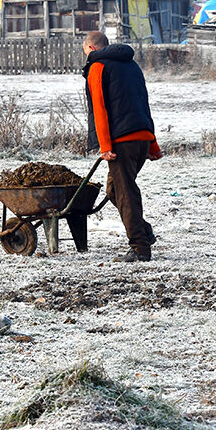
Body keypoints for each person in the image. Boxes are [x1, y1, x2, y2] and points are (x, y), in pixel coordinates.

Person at [82, 31, 162, 263]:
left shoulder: (97, 67)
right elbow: (142, 103)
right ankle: (144, 231)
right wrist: (152, 143)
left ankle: (140, 247)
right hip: (141, 137)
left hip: (121, 141)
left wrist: (104, 145)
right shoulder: (132, 66)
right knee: (114, 190)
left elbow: (99, 108)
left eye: (85, 52)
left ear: (91, 49)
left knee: (125, 193)